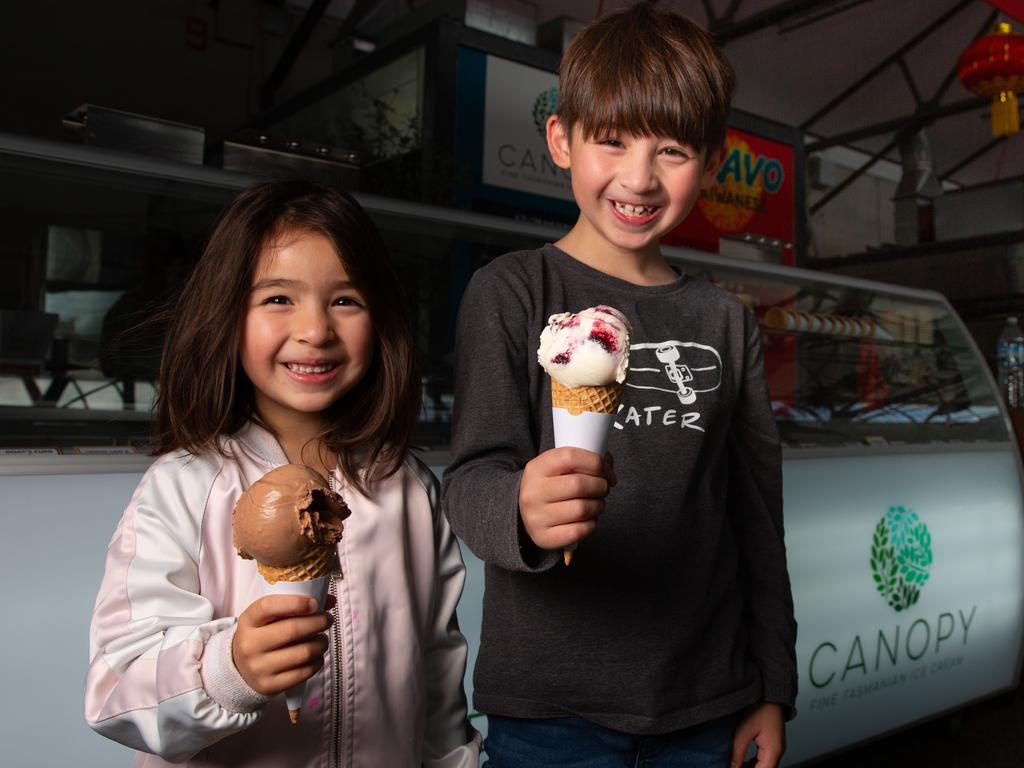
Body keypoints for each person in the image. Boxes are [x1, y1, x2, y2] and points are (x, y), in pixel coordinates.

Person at [442, 4, 797, 767]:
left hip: (707, 698)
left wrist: (773, 685)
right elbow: (469, 477)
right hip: (549, 710)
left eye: (672, 151)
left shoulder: (724, 321)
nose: (638, 178)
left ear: (709, 159)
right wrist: (520, 507)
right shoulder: (510, 292)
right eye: (611, 141)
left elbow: (756, 521)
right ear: (561, 140)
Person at [85, 180, 481, 767]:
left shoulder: (410, 491)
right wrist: (229, 669)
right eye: (277, 299)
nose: (316, 330)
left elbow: (438, 677)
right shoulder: (183, 486)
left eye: (345, 300)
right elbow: (117, 693)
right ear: (228, 314)